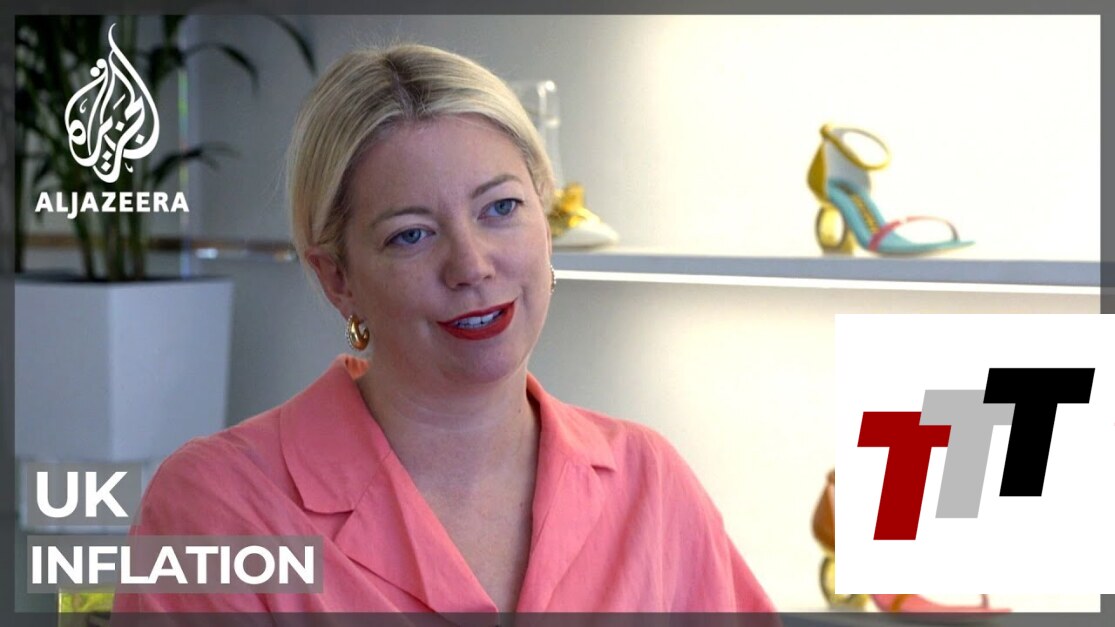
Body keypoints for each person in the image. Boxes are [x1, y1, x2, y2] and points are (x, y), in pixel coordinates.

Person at [112, 43, 774, 615]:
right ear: (337, 278)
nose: (471, 265)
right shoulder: (217, 507)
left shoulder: (649, 480)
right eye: (411, 234)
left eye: (501, 208)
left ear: (546, 223)